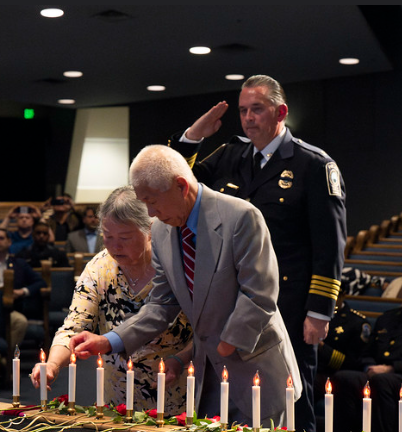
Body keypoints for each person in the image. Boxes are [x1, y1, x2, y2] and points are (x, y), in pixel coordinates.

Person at [69, 145, 302, 427]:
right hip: (206, 373)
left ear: (180, 186)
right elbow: (161, 304)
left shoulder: (241, 217)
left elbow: (259, 294)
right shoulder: (161, 230)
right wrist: (109, 341)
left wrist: (224, 345)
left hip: (253, 365)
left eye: (153, 202)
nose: (150, 213)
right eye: (144, 203)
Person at [167, 74, 347, 432]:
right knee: (237, 399)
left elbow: (330, 244)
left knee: (292, 399)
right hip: (232, 301)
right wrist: (193, 137)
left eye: (257, 110)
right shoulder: (231, 155)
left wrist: (319, 312)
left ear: (280, 112)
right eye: (243, 111)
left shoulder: (313, 165)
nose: (248, 118)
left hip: (290, 303)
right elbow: (177, 183)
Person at [30, 185, 193, 414]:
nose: (114, 246)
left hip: (178, 393)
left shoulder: (176, 263)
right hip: (117, 398)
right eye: (107, 236)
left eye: (125, 238)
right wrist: (53, 364)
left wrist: (180, 358)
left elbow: (205, 332)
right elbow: (74, 327)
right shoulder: (99, 268)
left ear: (150, 229)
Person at [332, 306, 402, 432]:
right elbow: (367, 352)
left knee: (382, 381)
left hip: (396, 373)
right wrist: (368, 367)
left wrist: (391, 368)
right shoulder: (386, 318)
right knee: (345, 378)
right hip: (377, 372)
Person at [314, 281, 372, 405]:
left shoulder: (356, 323)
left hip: (332, 374)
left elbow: (352, 363)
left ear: (342, 295)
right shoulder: (313, 316)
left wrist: (322, 347)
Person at [0, 228, 47, 347]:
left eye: (1, 238)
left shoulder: (19, 264)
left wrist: (22, 291)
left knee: (20, 321)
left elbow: (41, 282)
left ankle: (8, 358)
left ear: (9, 242)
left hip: (9, 309)